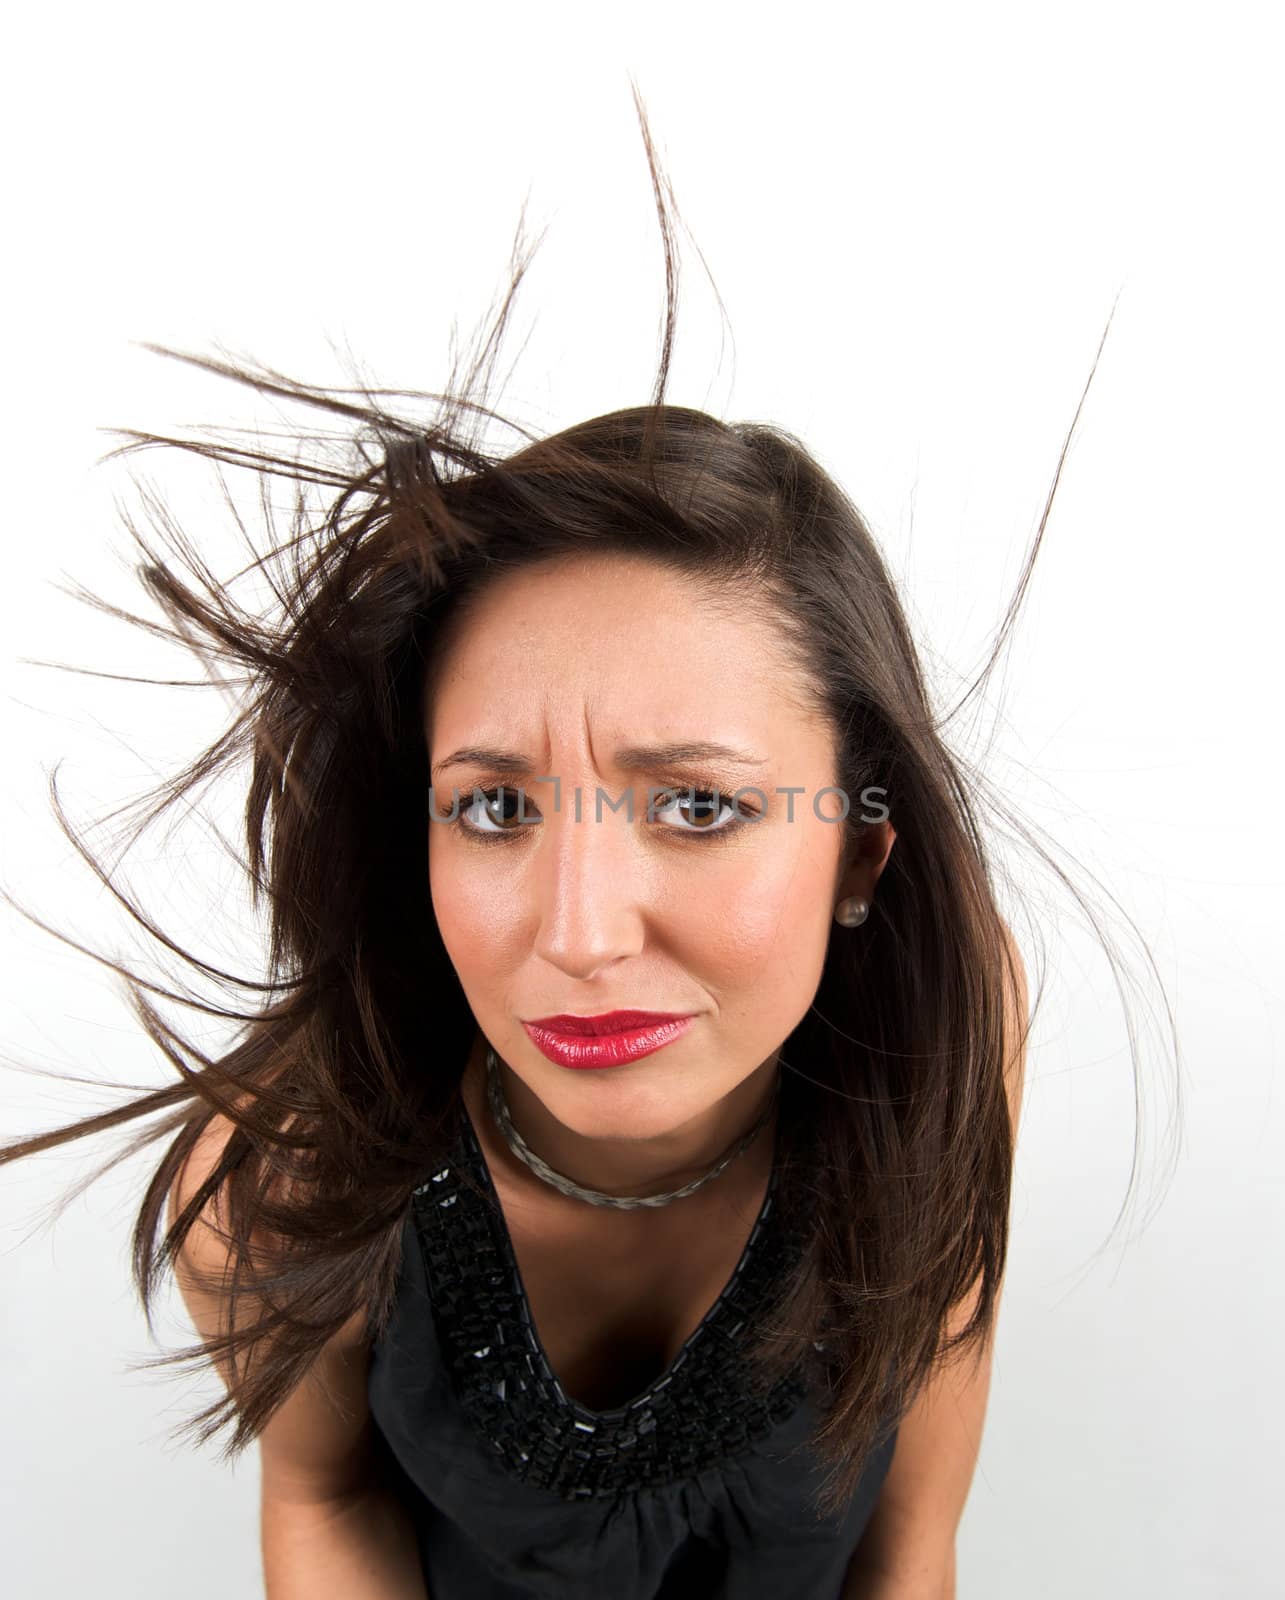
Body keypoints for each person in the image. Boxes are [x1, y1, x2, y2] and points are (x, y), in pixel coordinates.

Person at [0, 100, 1142, 1600]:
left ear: (863, 851)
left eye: (697, 807)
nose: (583, 932)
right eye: (492, 807)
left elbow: (911, 1535)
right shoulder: (281, 1167)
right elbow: (323, 1497)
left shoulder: (949, 1024)